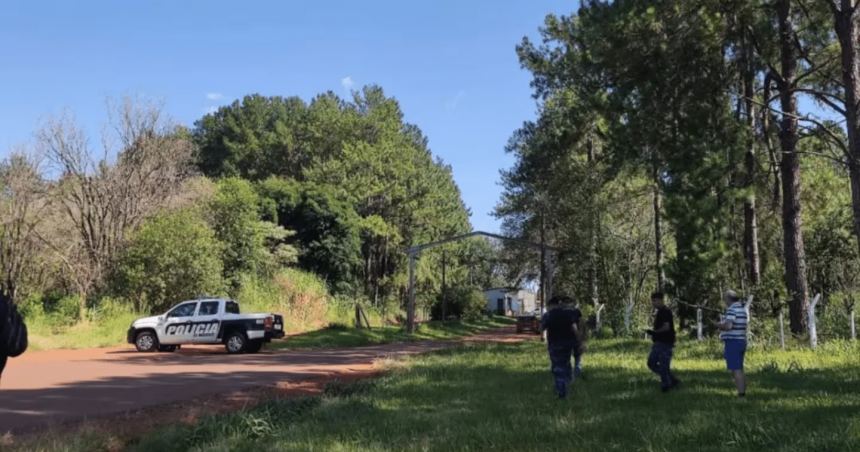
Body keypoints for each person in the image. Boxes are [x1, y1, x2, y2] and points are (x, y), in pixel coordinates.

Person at [540, 295, 584, 398]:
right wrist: (580, 341)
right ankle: (567, 385)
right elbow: (575, 328)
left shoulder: (548, 315)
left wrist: (543, 333)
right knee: (566, 364)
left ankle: (561, 392)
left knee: (557, 367)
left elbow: (542, 328)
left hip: (554, 344)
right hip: (567, 344)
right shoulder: (568, 314)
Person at [645, 292, 680, 392]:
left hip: (665, 342)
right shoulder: (659, 312)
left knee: (664, 364)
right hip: (658, 342)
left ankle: (666, 385)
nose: (653, 303)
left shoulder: (665, 312)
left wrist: (654, 332)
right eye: (652, 301)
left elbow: (666, 327)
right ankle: (671, 379)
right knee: (651, 363)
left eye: (655, 301)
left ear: (661, 300)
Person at [717, 290, 747, 397]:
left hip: (733, 342)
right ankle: (742, 391)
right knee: (739, 368)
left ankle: (741, 394)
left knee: (736, 369)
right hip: (741, 340)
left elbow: (728, 326)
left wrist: (719, 325)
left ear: (728, 299)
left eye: (725, 298)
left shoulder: (731, 310)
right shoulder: (742, 310)